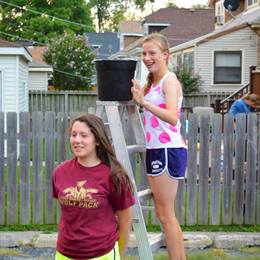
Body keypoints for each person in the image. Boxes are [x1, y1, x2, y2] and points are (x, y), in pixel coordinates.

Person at [131, 33, 187, 260]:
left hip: (167, 151)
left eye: (152, 53)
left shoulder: (169, 81)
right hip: (156, 150)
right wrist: (138, 95)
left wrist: (143, 102)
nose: (147, 58)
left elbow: (173, 116)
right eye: (144, 53)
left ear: (165, 55)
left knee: (166, 215)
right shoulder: (153, 83)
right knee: (163, 213)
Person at [52, 114, 135, 260]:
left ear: (97, 140)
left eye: (84, 135)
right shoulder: (60, 172)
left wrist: (119, 254)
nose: (77, 140)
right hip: (64, 253)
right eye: (74, 135)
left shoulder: (114, 175)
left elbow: (126, 219)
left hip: (102, 254)